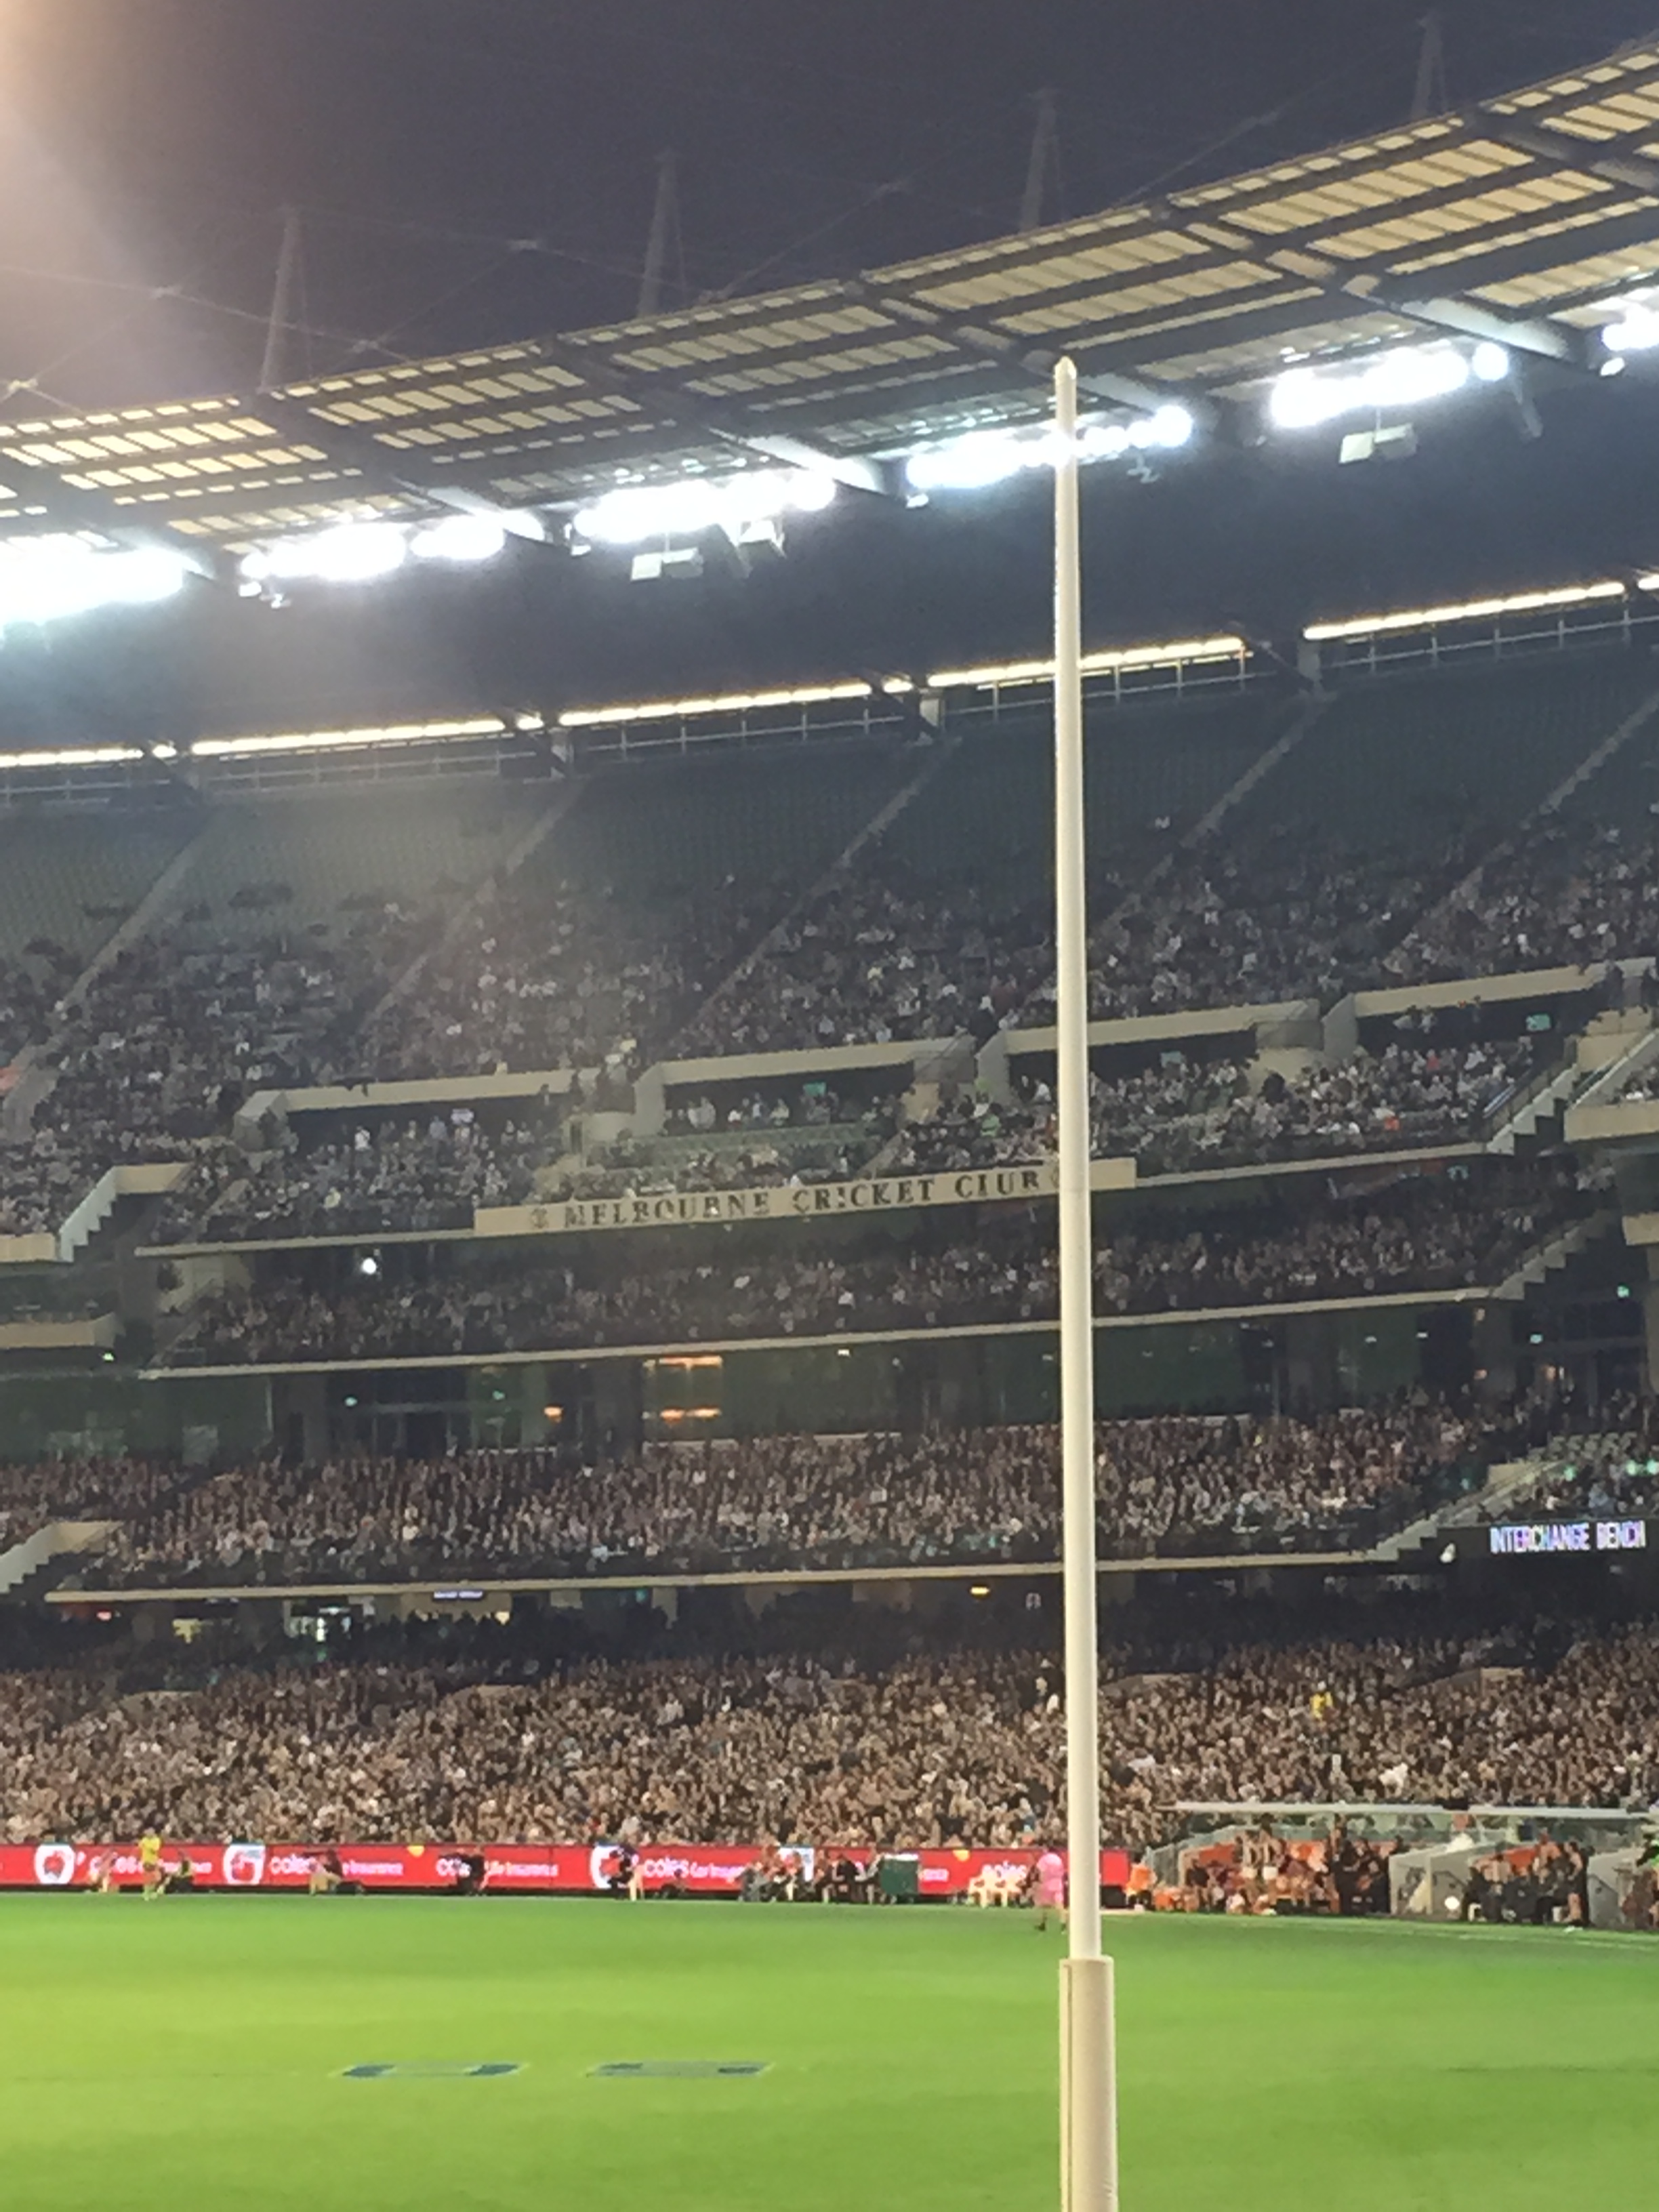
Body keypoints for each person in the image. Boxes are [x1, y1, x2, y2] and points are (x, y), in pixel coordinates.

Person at [1033, 1845, 1067, 1933]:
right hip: (1058, 1883)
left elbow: (1038, 1870)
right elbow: (1063, 1871)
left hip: (1046, 1883)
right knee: (1060, 1905)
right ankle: (1063, 1925)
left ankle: (1043, 1923)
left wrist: (1037, 1881)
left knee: (1045, 1905)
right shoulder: (1059, 1859)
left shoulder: (1044, 1859)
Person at [138, 1828, 165, 1902]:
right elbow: (140, 1846)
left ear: (153, 1833)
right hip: (146, 1861)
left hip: (154, 1861)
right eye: (147, 1832)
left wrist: (147, 1846)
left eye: (150, 1832)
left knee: (157, 1878)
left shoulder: (156, 1840)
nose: (148, 1834)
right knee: (147, 1879)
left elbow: (154, 1851)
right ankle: (146, 1893)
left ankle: (150, 1892)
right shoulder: (144, 1840)